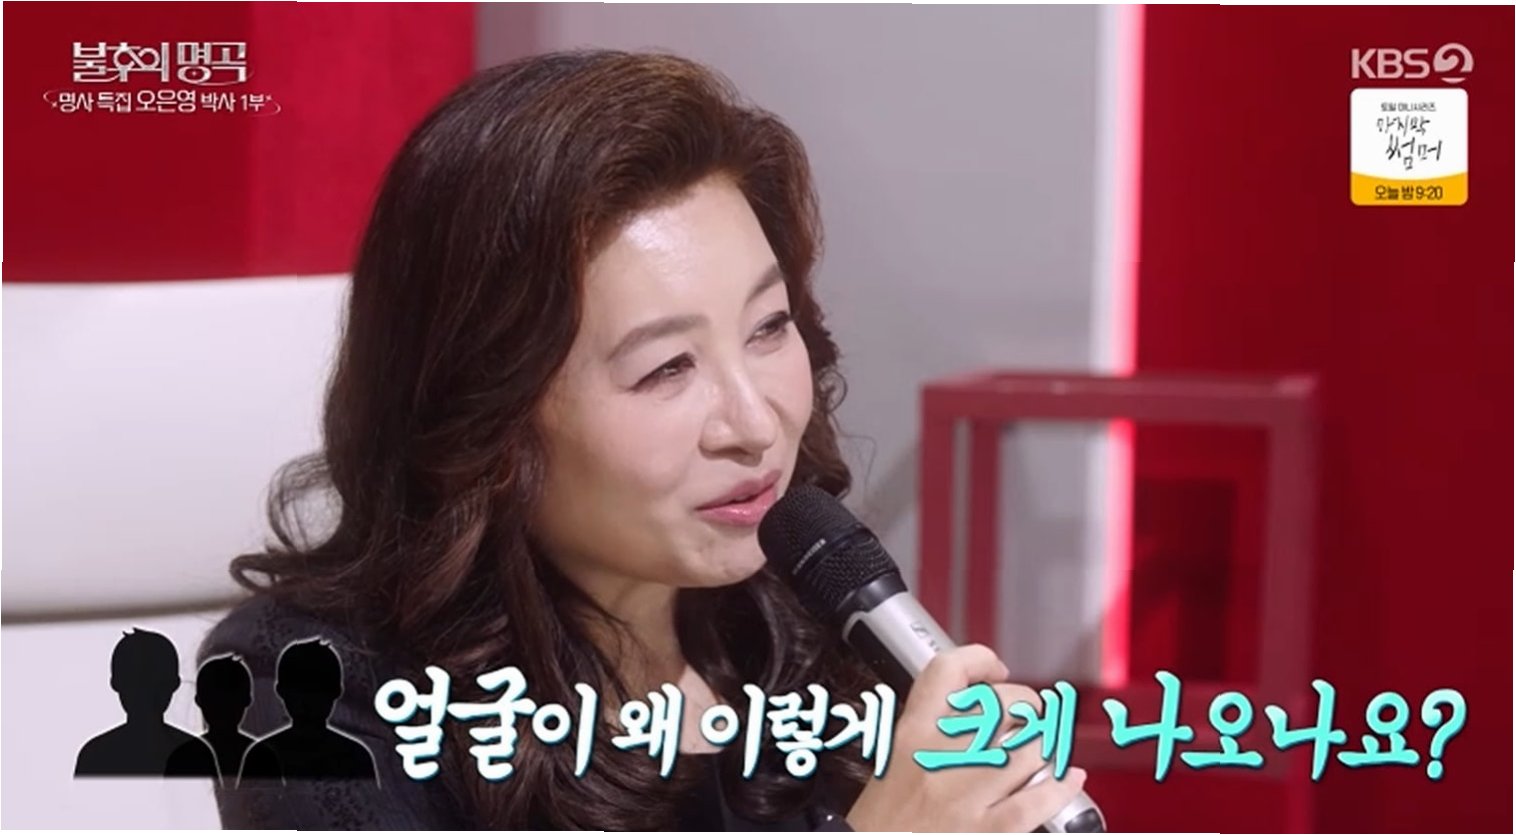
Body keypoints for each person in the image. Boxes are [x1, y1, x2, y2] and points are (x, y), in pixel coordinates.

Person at [200, 48, 1088, 830]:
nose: (754, 423)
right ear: (487, 418)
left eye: (769, 326)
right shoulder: (312, 686)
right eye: (666, 369)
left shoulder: (795, 616)